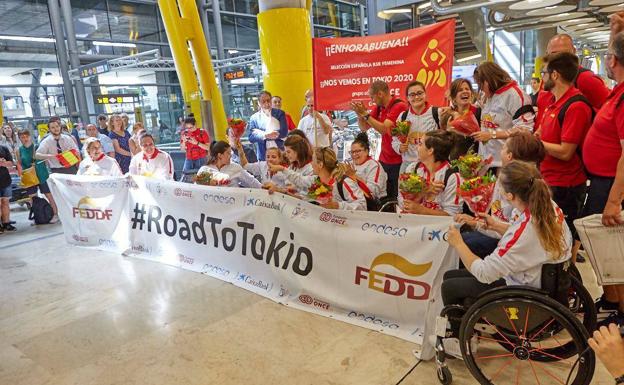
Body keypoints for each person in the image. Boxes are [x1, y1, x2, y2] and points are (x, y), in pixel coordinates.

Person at [443, 160, 572, 334]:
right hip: (546, 277)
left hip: (525, 291)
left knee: (449, 287)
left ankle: (458, 337)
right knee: (450, 275)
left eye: (499, 184)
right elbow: (520, 234)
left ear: (509, 195)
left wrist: (458, 242)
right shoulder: (546, 206)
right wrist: (486, 225)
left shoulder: (525, 231)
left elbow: (485, 273)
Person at [581, 31, 624, 327]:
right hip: (600, 182)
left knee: (616, 255)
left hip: (611, 186)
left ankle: (622, 313)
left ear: (613, 59)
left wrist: (613, 200)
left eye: (608, 54)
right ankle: (611, 300)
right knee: (602, 251)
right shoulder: (617, 90)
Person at [539, 52, 594, 263]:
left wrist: (537, 145)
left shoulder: (575, 106)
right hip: (549, 180)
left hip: (567, 186)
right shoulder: (554, 103)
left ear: (555, 75)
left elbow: (565, 151)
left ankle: (566, 285)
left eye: (543, 73)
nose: (541, 77)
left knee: (561, 244)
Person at [456, 131, 546, 258]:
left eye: (503, 147)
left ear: (509, 155)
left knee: (455, 244)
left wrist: (478, 225)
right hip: (496, 232)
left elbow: (516, 233)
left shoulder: (520, 186)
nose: (500, 151)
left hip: (505, 242)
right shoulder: (512, 176)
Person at [351, 80, 408, 201]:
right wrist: (359, 114)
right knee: (384, 195)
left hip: (398, 159)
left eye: (372, 97)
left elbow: (384, 129)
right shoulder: (379, 107)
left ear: (380, 94)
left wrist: (365, 115)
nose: (372, 101)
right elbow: (364, 127)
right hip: (384, 158)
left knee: (395, 197)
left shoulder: (399, 106)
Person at [472, 62, 534, 170]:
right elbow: (477, 110)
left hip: (506, 164)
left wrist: (493, 135)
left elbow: (525, 130)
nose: (480, 88)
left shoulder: (516, 95)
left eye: (481, 84)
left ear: (489, 79)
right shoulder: (486, 95)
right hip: (484, 163)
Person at [270, 147, 366, 211]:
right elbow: (304, 193)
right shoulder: (316, 180)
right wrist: (282, 190)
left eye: (313, 160)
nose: (311, 163)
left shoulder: (342, 182)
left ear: (320, 164)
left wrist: (337, 205)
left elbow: (362, 206)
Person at [401, 130, 461, 217]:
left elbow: (453, 216)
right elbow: (402, 202)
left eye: (420, 144)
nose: (416, 147)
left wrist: (422, 210)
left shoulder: (452, 177)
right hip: (412, 226)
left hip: (439, 229)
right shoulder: (413, 169)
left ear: (430, 151)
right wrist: (425, 191)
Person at [392, 81, 440, 171]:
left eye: (419, 93)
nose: (416, 97)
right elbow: (395, 140)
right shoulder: (403, 117)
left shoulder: (437, 113)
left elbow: (444, 139)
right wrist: (399, 147)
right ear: (407, 98)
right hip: (407, 165)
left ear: (425, 94)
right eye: (412, 95)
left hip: (430, 166)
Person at [16, 128, 59, 223]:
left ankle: (55, 214)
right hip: (29, 176)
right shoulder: (19, 150)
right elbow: (19, 164)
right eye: (22, 137)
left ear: (30, 137)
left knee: (49, 195)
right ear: (19, 138)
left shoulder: (37, 146)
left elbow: (46, 160)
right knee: (33, 198)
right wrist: (21, 177)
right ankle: (38, 216)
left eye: (26, 136)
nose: (25, 138)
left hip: (42, 174)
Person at [440, 78, 478, 160]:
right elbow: (442, 142)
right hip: (453, 162)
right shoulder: (447, 116)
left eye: (467, 89)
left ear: (471, 94)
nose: (465, 91)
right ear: (453, 98)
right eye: (460, 90)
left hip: (476, 162)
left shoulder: (479, 113)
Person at [197, 141, 261, 188]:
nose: (231, 155)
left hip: (234, 204)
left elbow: (252, 183)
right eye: (228, 153)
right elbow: (197, 190)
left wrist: (266, 188)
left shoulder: (235, 167)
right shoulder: (204, 170)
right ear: (220, 155)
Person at [247, 90, 289, 161]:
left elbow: (284, 132)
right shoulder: (254, 118)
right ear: (259, 103)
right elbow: (251, 137)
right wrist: (266, 135)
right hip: (263, 154)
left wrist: (261, 133)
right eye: (263, 101)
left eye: (268, 100)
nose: (266, 103)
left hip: (280, 150)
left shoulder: (280, 113)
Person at [346, 132, 387, 201]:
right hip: (352, 198)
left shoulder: (374, 165)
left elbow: (372, 192)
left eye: (358, 151)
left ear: (366, 151)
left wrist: (354, 177)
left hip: (371, 203)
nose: (354, 154)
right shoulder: (350, 164)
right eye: (352, 152)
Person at [0, 142, 15, 233]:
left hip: (5, 179)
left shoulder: (3, 148)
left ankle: (6, 223)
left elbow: (11, 163)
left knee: (5, 202)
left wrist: (4, 163)